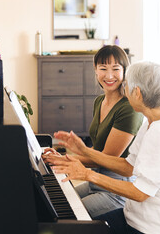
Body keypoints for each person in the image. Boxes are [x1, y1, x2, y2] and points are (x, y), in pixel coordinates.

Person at [49, 61, 160, 233]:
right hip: (132, 217)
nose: (123, 91)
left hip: (153, 228)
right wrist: (85, 151)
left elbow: (140, 193)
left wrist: (87, 174)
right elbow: (127, 167)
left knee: (71, 229)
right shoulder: (151, 121)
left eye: (126, 86)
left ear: (137, 92)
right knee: (73, 226)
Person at [42, 45, 143, 218]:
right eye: (103, 68)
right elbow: (97, 153)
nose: (109, 76)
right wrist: (62, 159)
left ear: (125, 71)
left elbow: (105, 159)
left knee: (65, 216)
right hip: (95, 181)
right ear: (95, 70)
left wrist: (63, 160)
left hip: (116, 189)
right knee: (52, 203)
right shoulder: (99, 101)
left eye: (116, 69)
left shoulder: (128, 108)